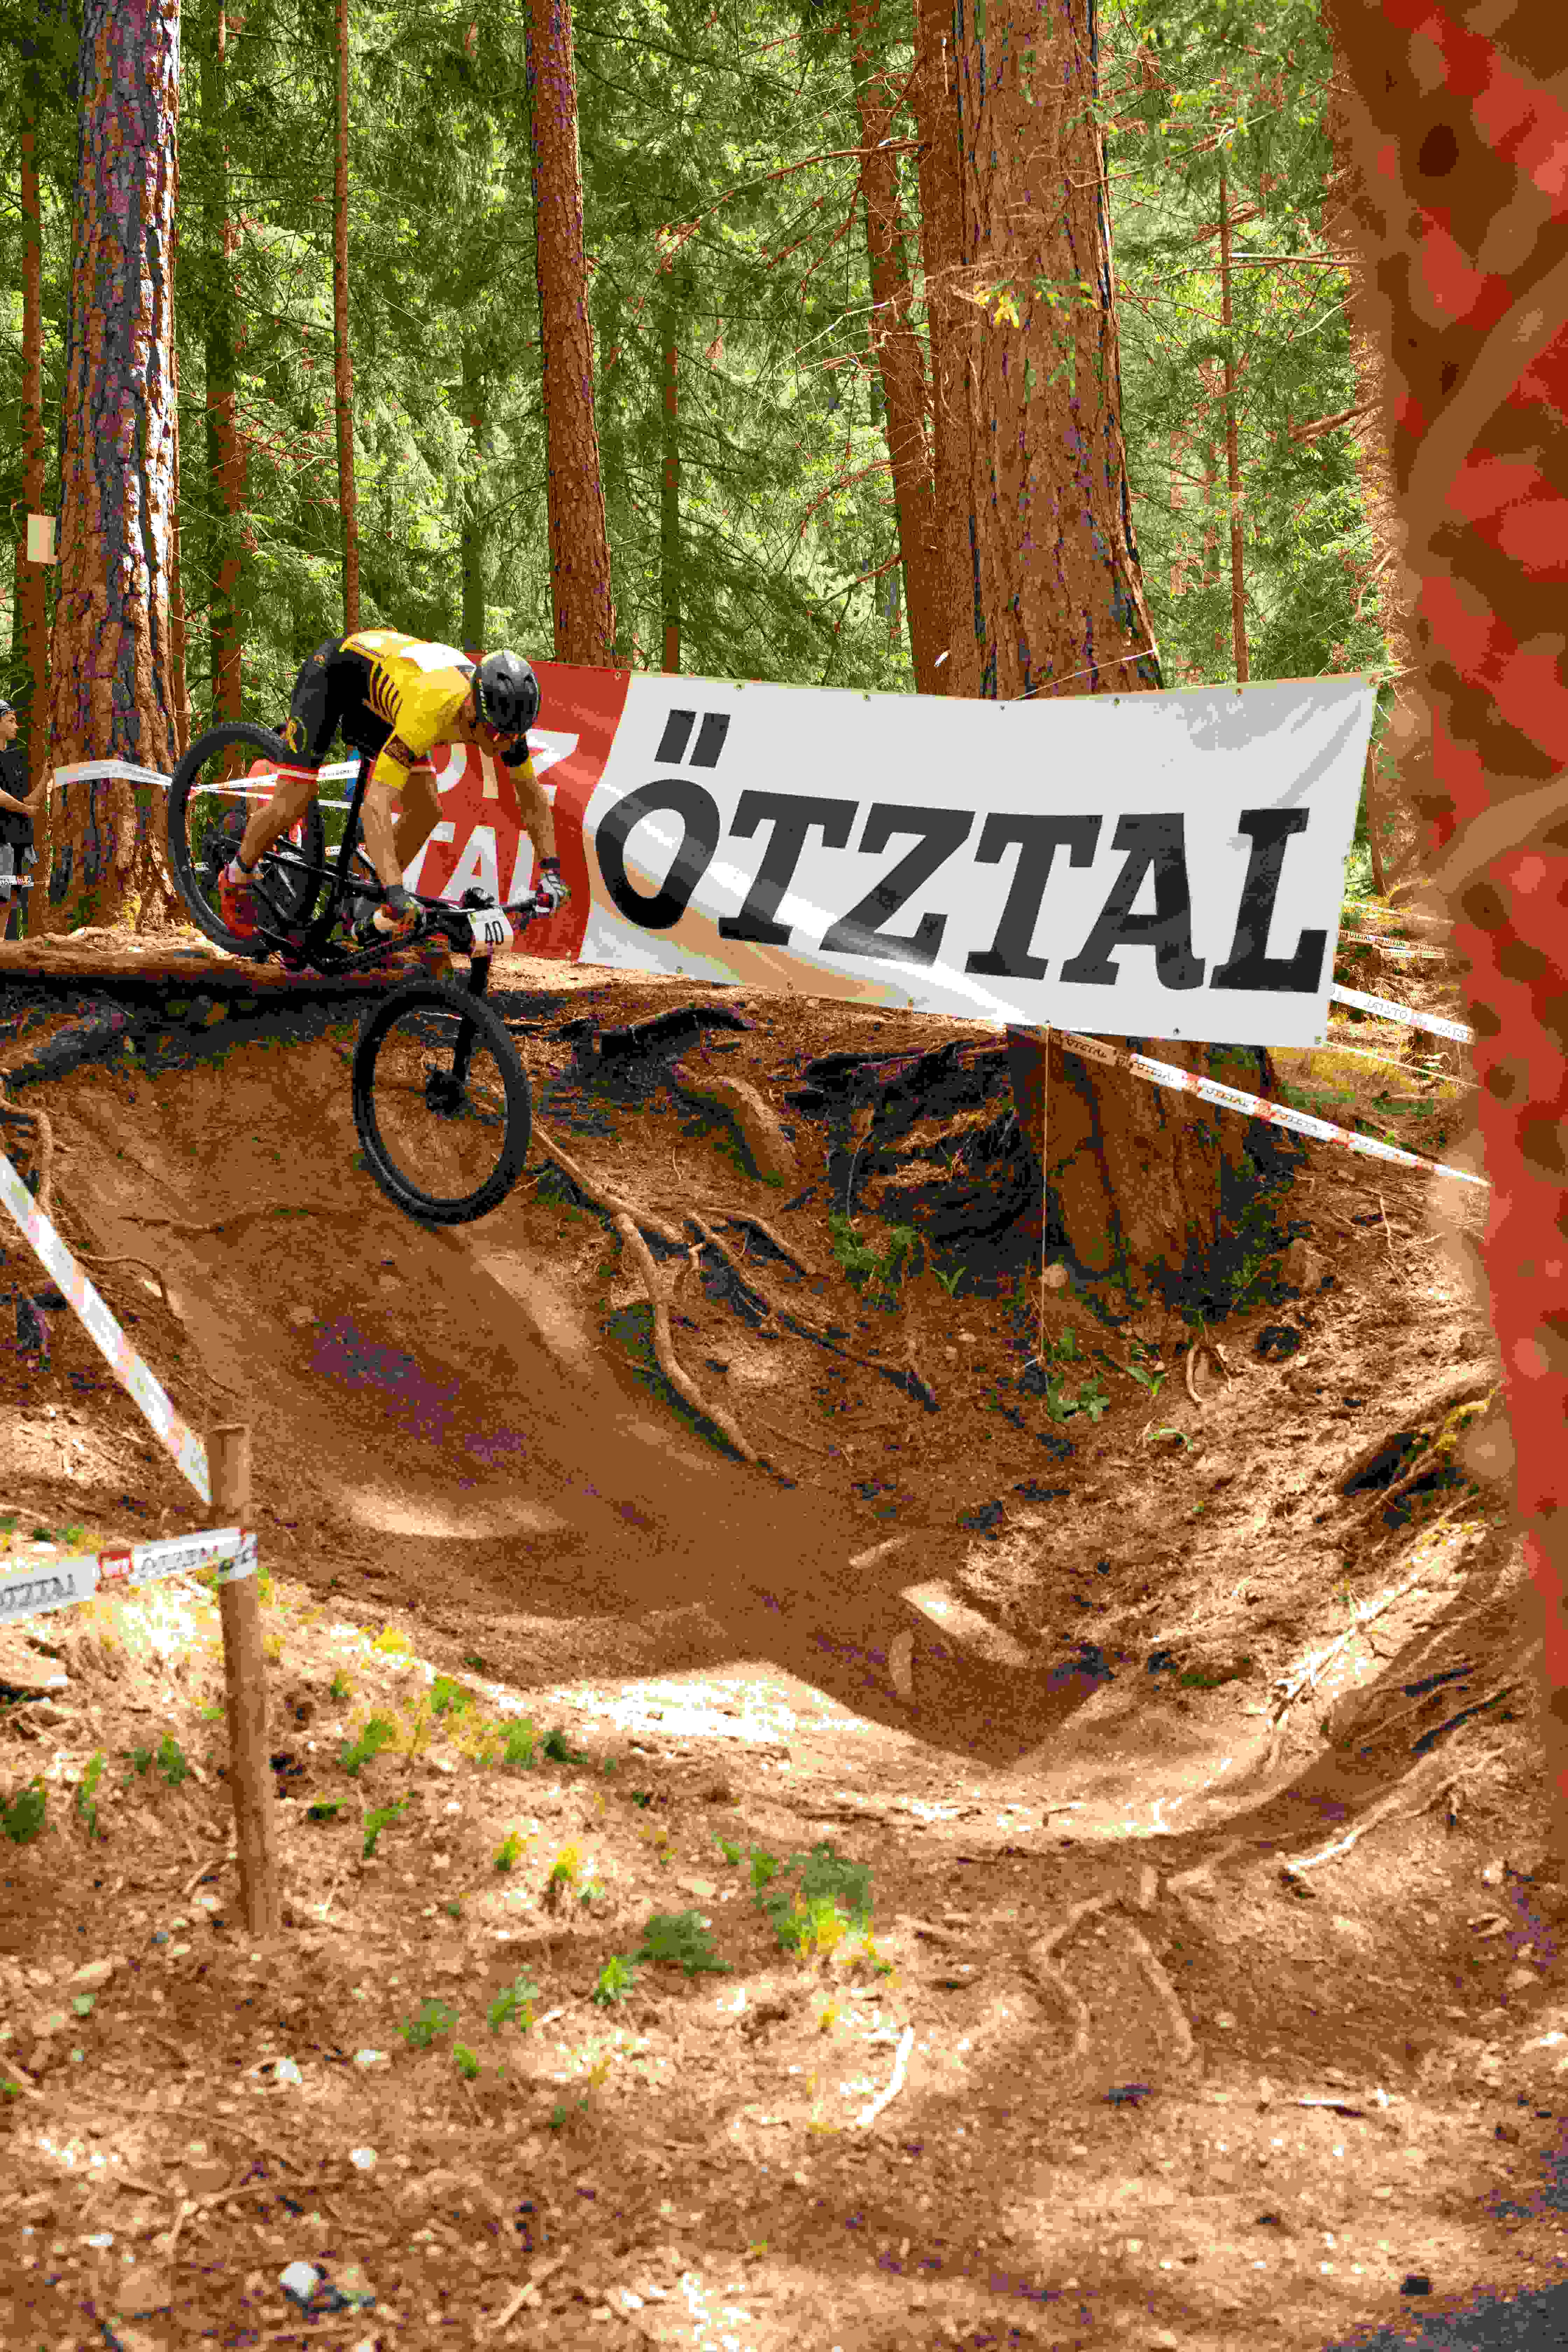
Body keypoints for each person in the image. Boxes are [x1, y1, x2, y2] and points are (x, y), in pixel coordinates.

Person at [217, 631, 570, 947]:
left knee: (427, 810)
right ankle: (236, 875)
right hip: (334, 677)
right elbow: (377, 805)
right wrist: (397, 891)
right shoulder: (432, 711)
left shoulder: (503, 723)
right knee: (293, 801)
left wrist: (551, 871)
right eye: (497, 734)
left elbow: (531, 796)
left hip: (387, 700)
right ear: (473, 709)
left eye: (514, 736)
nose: (504, 744)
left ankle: (362, 908)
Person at [0, 699, 42, 944]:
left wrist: (48, 777)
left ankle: (4, 946)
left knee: (15, 891)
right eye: (11, 721)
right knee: (2, 893)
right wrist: (26, 810)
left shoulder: (12, 760)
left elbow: (24, 799)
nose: (17, 726)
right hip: (2, 841)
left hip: (19, 842)